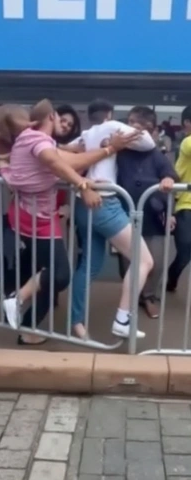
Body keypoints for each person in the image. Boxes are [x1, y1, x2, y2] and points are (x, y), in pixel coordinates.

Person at [0, 102, 140, 345]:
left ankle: (27, 323)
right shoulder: (36, 140)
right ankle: (17, 301)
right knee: (60, 274)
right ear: (51, 116)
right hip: (36, 218)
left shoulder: (30, 140)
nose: (65, 126)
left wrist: (106, 149)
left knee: (52, 273)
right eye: (62, 121)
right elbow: (56, 163)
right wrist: (83, 185)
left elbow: (70, 160)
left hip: (35, 216)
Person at [69, 99, 156, 340]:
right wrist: (119, 142)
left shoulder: (86, 135)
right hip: (105, 202)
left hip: (83, 201)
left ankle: (76, 323)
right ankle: (122, 319)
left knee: (88, 267)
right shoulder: (112, 127)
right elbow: (147, 142)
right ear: (109, 114)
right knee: (143, 261)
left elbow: (65, 150)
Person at [115, 107, 177, 319]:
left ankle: (149, 297)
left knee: (153, 261)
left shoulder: (156, 154)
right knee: (128, 262)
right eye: (132, 125)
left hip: (152, 216)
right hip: (123, 215)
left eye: (143, 128)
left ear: (153, 131)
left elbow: (169, 173)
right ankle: (131, 300)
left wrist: (168, 179)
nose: (136, 131)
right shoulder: (118, 151)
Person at [167, 106, 191, 293]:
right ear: (187, 124)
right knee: (184, 251)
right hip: (185, 205)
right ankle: (171, 278)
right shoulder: (186, 143)